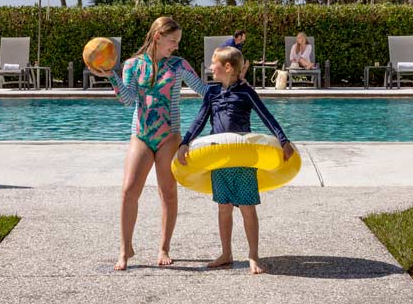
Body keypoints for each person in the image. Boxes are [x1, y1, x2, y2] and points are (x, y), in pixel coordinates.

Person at [90, 16, 208, 271]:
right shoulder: (133, 65)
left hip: (169, 136)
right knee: (129, 190)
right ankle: (125, 249)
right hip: (141, 135)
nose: (176, 46)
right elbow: (128, 99)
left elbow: (203, 90)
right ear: (158, 37)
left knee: (168, 193)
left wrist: (233, 87)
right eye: (172, 41)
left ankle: (164, 247)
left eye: (178, 42)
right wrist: (112, 75)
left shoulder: (179, 65)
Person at [176, 46, 294, 274]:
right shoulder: (211, 92)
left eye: (214, 63)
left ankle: (253, 255)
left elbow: (265, 115)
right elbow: (200, 119)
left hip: (242, 158)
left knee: (247, 208)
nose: (210, 67)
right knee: (224, 207)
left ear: (227, 67)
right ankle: (226, 253)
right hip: (219, 158)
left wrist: (283, 140)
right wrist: (185, 142)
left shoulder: (246, 92)